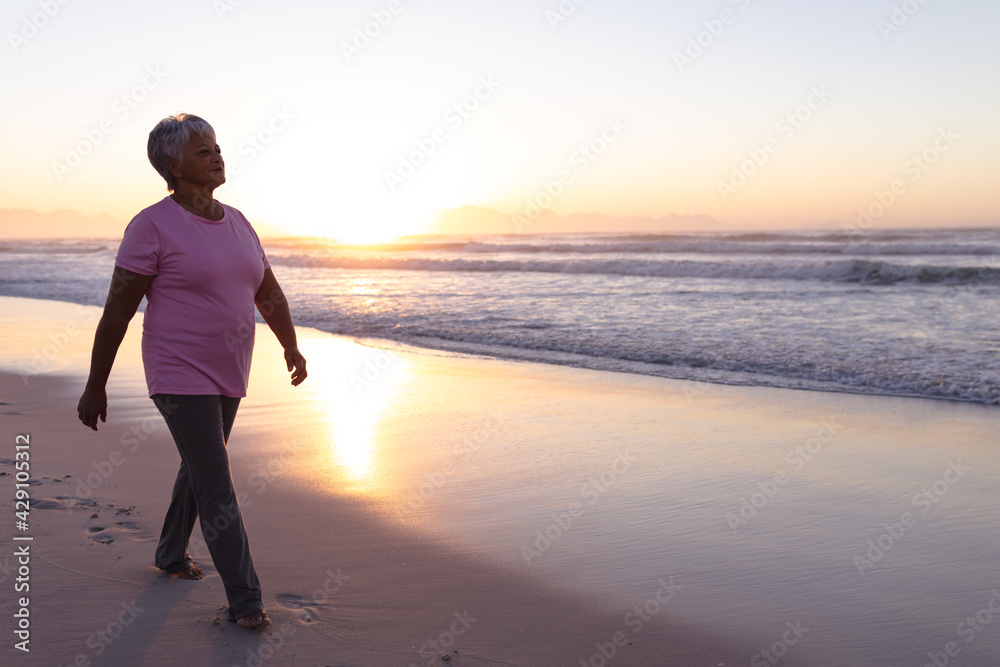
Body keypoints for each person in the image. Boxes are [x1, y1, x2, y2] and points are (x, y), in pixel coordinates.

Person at [76, 113, 307, 630]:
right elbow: (117, 310)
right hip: (177, 369)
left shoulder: (239, 221)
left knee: (201, 465)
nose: (217, 155)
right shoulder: (151, 225)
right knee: (216, 479)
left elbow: (266, 292)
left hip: (230, 366)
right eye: (203, 151)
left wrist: (291, 346)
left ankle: (169, 551)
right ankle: (246, 601)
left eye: (217, 147)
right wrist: (96, 384)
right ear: (173, 165)